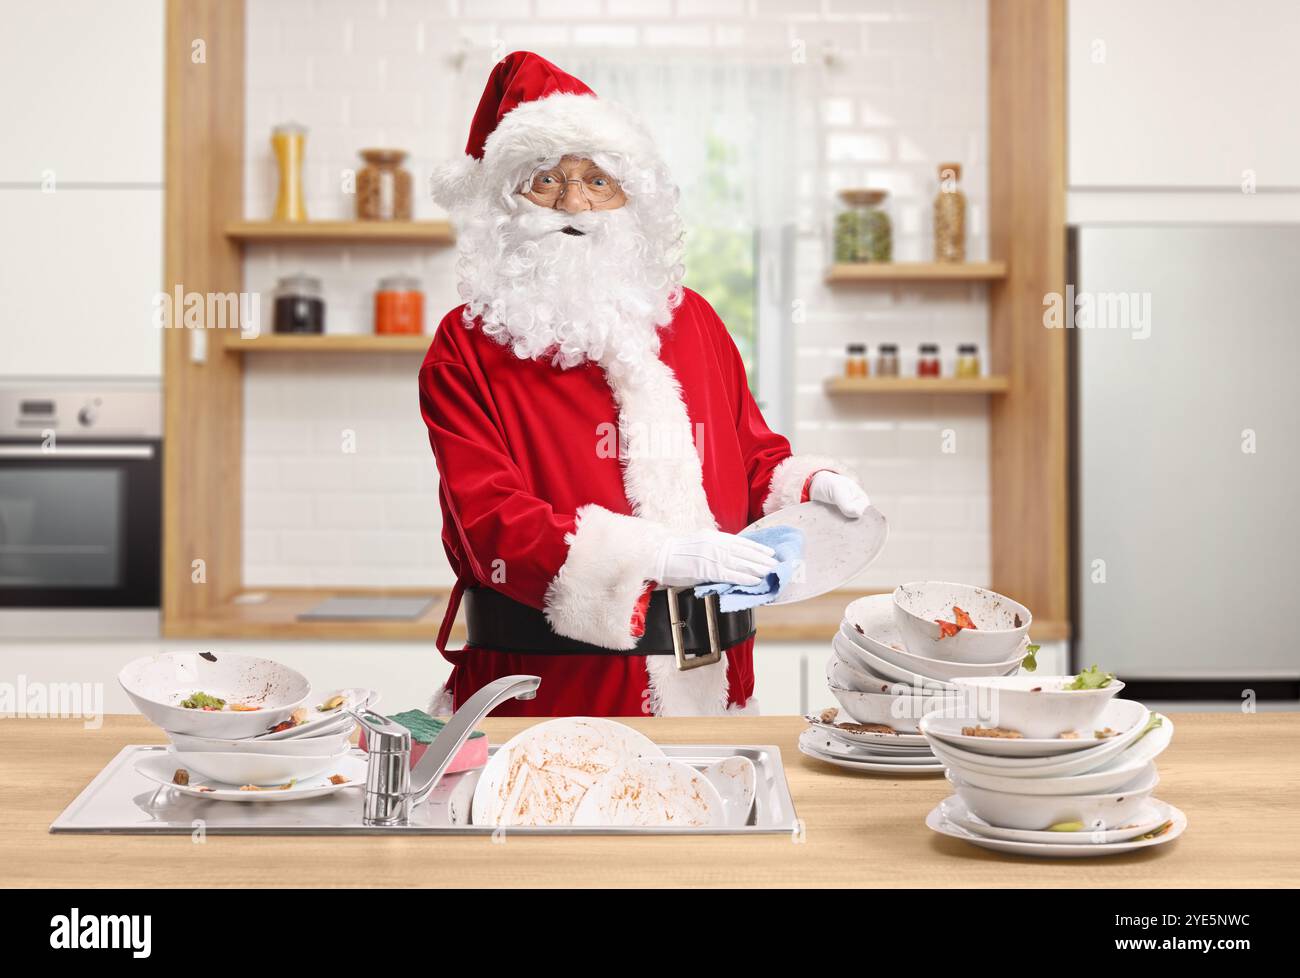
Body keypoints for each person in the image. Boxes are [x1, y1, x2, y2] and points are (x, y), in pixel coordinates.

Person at [420, 52, 868, 716]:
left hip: (713, 685)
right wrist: (661, 553)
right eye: (546, 179)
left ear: (633, 199)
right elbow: (491, 524)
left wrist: (808, 486)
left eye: (598, 180)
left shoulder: (693, 320)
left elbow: (749, 455)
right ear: (504, 202)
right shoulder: (465, 345)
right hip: (549, 695)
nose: (575, 202)